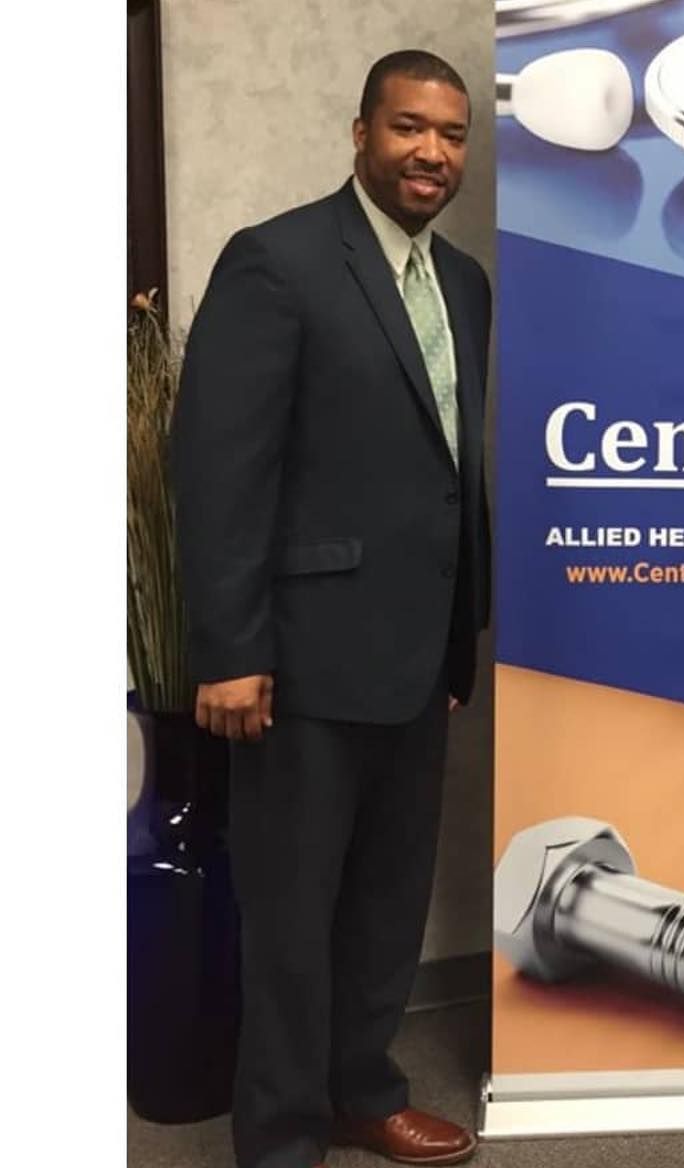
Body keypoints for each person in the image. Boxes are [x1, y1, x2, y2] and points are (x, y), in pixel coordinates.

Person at [171, 49, 491, 1168]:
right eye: (410, 129)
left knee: (386, 904)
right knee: (293, 919)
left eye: (452, 136)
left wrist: (460, 637)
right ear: (360, 133)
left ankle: (365, 1089)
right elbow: (220, 469)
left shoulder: (463, 286)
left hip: (418, 657)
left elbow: (448, 471)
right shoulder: (279, 262)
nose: (432, 154)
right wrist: (230, 648)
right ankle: (282, 1134)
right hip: (297, 665)